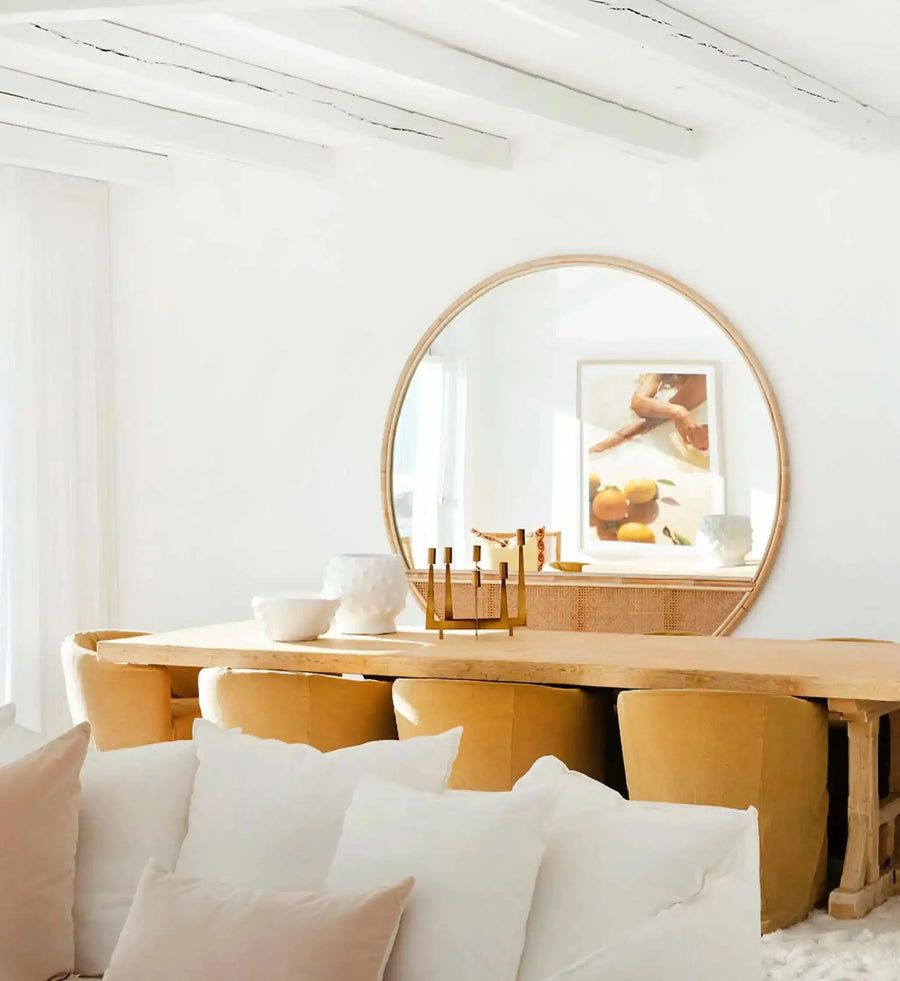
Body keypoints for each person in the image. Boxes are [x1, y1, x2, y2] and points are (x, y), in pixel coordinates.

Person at [589, 373, 709, 455]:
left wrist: (609, 443)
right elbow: (638, 402)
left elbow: (654, 420)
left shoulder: (703, 378)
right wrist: (677, 411)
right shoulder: (667, 355)